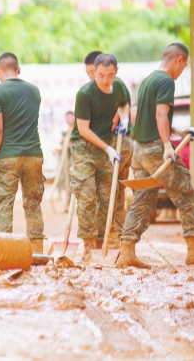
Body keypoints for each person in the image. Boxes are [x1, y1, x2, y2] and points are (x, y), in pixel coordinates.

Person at [117, 43, 194, 268]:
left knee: (142, 201)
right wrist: (167, 145)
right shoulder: (166, 81)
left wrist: (178, 132)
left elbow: (148, 119)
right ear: (179, 60)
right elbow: (160, 114)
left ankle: (126, 251)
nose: (181, 72)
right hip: (156, 150)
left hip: (140, 150)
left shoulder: (147, 81)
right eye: (183, 68)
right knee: (187, 193)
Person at [0, 53, 45, 253]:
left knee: (4, 206)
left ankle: (4, 251)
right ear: (18, 70)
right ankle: (36, 250)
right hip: (33, 155)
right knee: (33, 203)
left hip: (7, 157)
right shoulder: (34, 91)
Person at [70, 53, 130, 262]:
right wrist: (108, 148)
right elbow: (83, 129)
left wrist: (125, 119)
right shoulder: (85, 94)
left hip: (105, 145)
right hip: (83, 147)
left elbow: (123, 104)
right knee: (87, 196)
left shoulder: (119, 87)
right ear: (94, 72)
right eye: (101, 75)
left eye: (110, 75)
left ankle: (100, 241)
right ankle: (87, 248)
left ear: (116, 72)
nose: (105, 80)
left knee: (107, 198)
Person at [84, 50, 132, 249]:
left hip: (117, 144)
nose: (94, 77)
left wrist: (123, 121)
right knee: (106, 192)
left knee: (112, 192)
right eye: (91, 73)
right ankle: (104, 236)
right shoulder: (89, 90)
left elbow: (120, 112)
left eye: (95, 72)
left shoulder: (116, 86)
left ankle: (112, 237)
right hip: (103, 145)